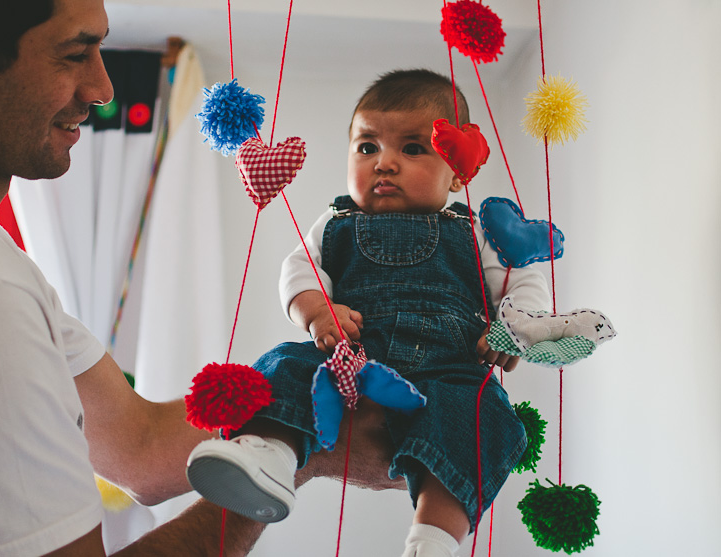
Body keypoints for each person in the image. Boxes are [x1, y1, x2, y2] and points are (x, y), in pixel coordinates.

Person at [0, 1, 401, 555]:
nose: (102, 88)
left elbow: (138, 444)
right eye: (75, 54)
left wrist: (309, 421)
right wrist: (281, 468)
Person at [186, 69, 552, 557]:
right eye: (367, 147)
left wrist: (513, 328)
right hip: (349, 359)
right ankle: (268, 457)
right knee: (284, 366)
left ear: (459, 171)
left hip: (450, 370)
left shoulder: (476, 233)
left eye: (413, 148)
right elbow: (299, 270)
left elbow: (522, 282)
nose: (385, 164)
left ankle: (435, 537)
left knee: (484, 415)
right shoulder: (335, 224)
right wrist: (316, 310)